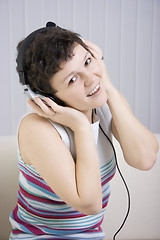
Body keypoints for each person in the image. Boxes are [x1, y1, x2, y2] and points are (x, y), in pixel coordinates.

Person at [9, 22, 159, 240]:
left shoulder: (104, 104)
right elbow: (89, 204)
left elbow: (145, 159)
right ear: (48, 97)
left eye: (87, 62)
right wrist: (81, 127)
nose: (90, 80)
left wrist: (108, 86)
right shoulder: (37, 129)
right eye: (72, 79)